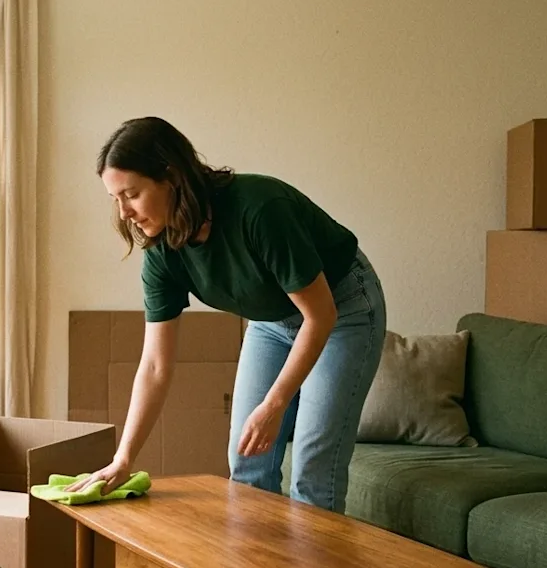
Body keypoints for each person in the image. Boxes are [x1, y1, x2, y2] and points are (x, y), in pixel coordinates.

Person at [66, 116, 387, 515]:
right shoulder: (163, 253)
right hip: (272, 323)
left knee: (313, 469)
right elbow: (154, 366)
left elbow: (319, 316)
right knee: (248, 464)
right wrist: (124, 458)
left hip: (342, 311)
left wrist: (274, 406)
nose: (124, 212)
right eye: (115, 199)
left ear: (171, 176)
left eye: (130, 194)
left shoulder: (261, 210)